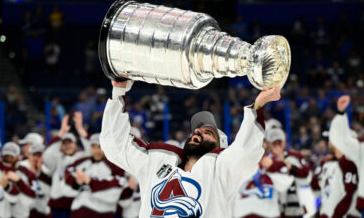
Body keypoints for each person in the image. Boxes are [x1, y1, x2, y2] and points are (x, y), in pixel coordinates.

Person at [100, 80, 281, 217]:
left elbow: (245, 153)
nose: (198, 131)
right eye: (197, 129)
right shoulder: (158, 161)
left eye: (208, 132)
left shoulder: (221, 171)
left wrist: (258, 106)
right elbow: (114, 144)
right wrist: (118, 91)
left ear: (220, 147)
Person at [318, 95, 361, 218]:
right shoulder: (329, 163)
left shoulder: (350, 164)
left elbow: (349, 195)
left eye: (331, 138)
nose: (329, 142)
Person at [64, 133, 125, 217]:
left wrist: (90, 182)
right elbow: (66, 177)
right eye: (94, 147)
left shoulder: (115, 166)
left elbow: (115, 191)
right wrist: (76, 183)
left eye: (99, 147)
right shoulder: (81, 162)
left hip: (103, 213)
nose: (96, 151)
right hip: (79, 212)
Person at [43, 113, 91, 218]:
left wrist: (80, 128)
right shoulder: (57, 158)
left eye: (70, 142)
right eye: (65, 143)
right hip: (58, 203)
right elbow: (46, 155)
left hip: (78, 202)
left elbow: (92, 150)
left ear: (76, 144)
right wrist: (61, 133)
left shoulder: (82, 156)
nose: (68, 145)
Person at [264, 127, 315, 218]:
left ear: (284, 142)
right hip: (270, 207)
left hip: (294, 208)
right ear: (268, 144)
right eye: (274, 143)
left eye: (279, 142)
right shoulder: (264, 159)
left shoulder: (294, 157)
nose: (277, 146)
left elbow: (306, 177)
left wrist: (287, 165)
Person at [18, 142, 52, 217]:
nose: (36, 158)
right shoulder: (21, 166)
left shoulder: (47, 170)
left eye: (39, 155)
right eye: (34, 155)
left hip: (43, 211)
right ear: (29, 155)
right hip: (25, 211)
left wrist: (40, 172)